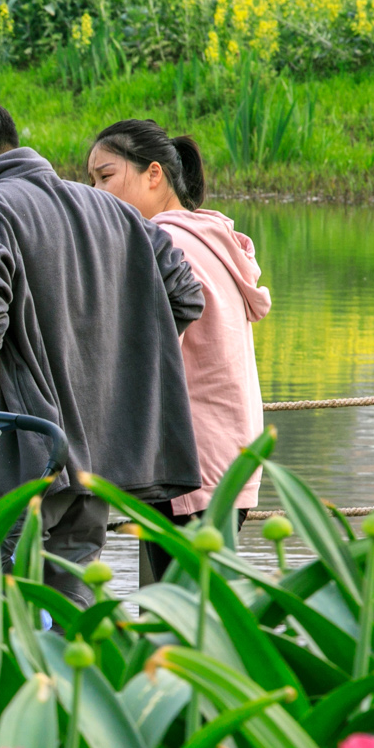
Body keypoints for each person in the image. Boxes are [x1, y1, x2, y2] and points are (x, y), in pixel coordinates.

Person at [0, 91, 205, 605]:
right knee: (69, 603)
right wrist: (110, 369)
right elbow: (184, 294)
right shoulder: (111, 208)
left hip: (23, 456)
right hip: (95, 463)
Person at [88, 119, 269, 576]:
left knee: (186, 614)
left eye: (105, 177)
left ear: (154, 175)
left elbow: (144, 352)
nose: (96, 192)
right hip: (230, 456)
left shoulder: (163, 242)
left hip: (187, 461)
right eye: (91, 180)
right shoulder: (209, 238)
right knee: (200, 607)